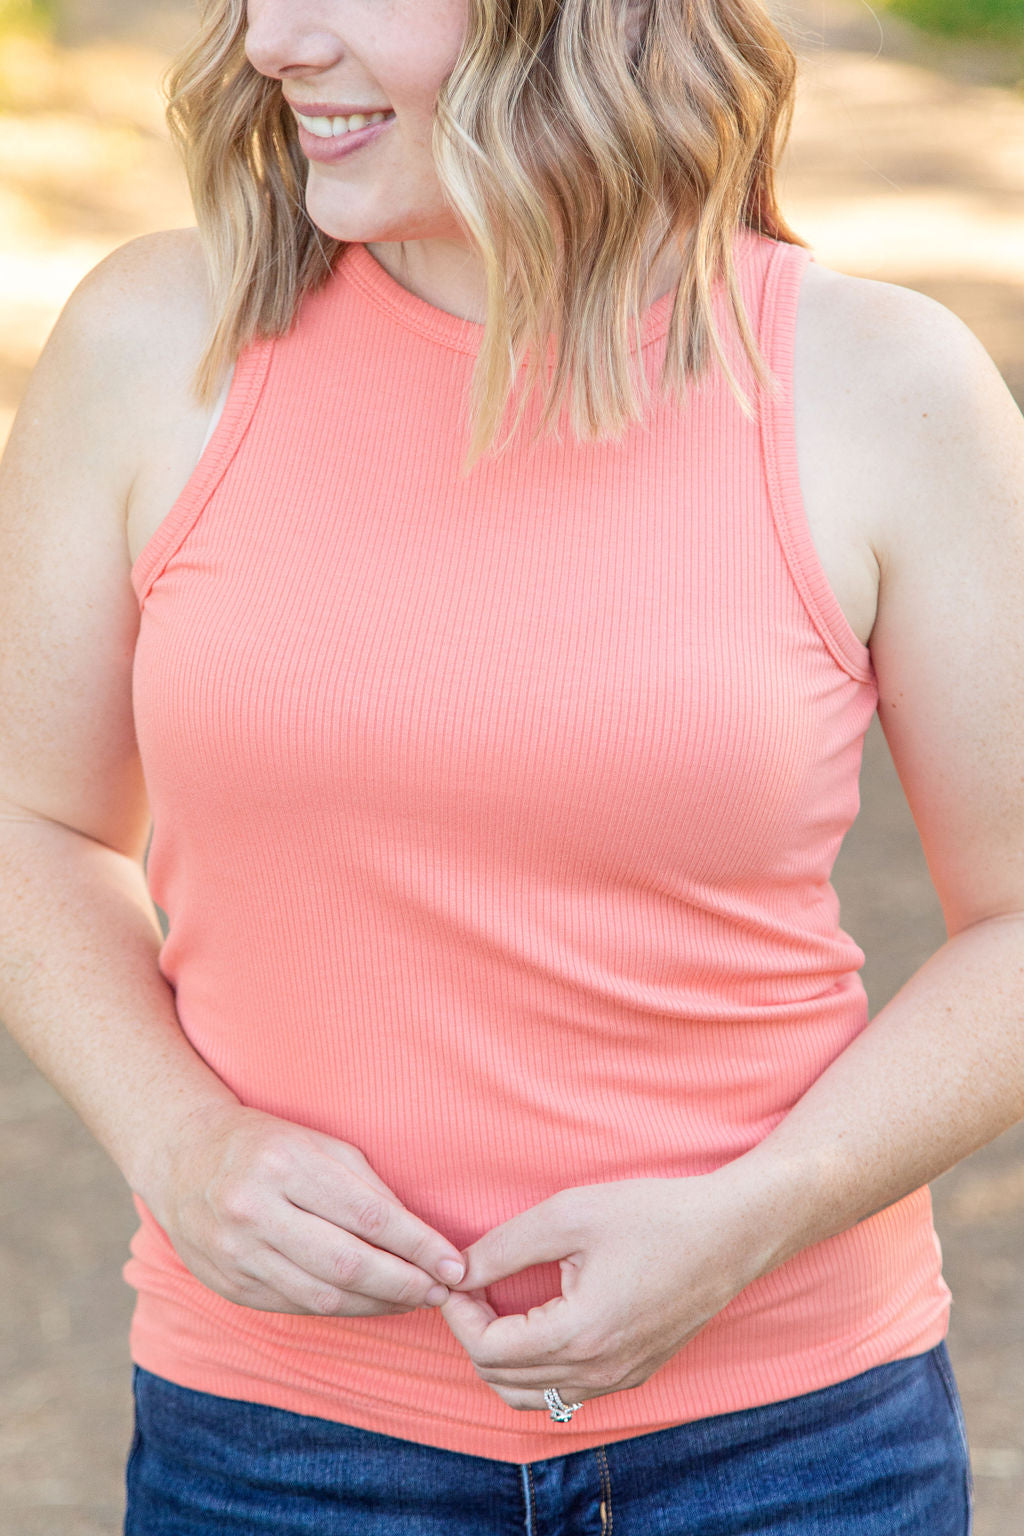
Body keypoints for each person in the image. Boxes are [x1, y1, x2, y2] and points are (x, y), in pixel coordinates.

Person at [0, 0, 1021, 1529]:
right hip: (279, 1448)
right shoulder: (158, 345)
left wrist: (758, 1220)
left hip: (795, 1453)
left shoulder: (885, 386)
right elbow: (33, 819)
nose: (270, 39)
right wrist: (179, 1136)